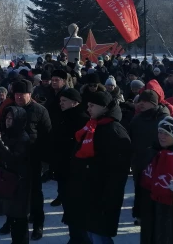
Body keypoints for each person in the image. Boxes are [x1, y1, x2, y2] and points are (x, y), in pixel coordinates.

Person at [65, 91, 132, 244]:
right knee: (89, 234)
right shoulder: (91, 126)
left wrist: (108, 199)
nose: (88, 109)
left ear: (104, 107)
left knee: (99, 236)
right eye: (88, 105)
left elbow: (118, 173)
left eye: (92, 105)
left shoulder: (115, 131)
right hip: (86, 192)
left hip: (101, 196)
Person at [10, 79, 51, 240]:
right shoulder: (9, 109)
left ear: (30, 94)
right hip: (13, 161)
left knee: (35, 194)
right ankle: (12, 222)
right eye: (16, 94)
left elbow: (47, 136)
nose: (19, 97)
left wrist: (44, 161)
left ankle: (38, 224)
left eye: (22, 94)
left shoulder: (40, 111)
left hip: (33, 160)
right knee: (13, 194)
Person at [0, 106, 31, 244]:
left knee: (20, 220)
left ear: (19, 120)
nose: (8, 121)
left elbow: (13, 159)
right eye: (7, 118)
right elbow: (1, 155)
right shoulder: (6, 134)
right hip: (7, 181)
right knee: (12, 217)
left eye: (11, 118)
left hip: (19, 184)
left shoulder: (23, 138)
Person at [51, 87, 89, 232]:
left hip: (75, 170)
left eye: (64, 101)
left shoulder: (83, 120)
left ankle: (79, 238)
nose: (61, 103)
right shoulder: (62, 116)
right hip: (62, 168)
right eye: (60, 100)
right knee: (67, 204)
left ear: (75, 102)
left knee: (76, 207)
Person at [129, 89, 170, 223]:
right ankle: (140, 215)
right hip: (139, 160)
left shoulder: (164, 118)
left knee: (155, 189)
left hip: (157, 160)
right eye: (140, 101)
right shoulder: (137, 118)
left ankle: (156, 216)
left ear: (153, 103)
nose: (141, 104)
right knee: (140, 188)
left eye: (145, 101)